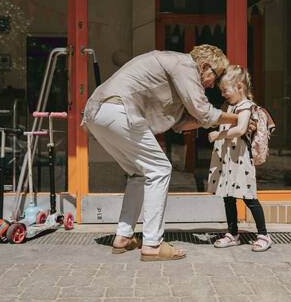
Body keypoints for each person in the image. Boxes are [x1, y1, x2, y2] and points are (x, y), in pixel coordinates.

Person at [81, 45, 246, 261]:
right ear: (204, 66)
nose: (212, 84)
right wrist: (240, 117)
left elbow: (181, 123)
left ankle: (123, 237)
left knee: (139, 174)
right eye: (213, 78)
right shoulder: (185, 65)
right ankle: (152, 245)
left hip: (98, 114)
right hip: (118, 110)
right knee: (160, 169)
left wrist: (218, 120)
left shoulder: (175, 76)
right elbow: (204, 112)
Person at [207, 65, 272, 252]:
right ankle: (232, 233)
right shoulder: (230, 106)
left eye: (225, 90)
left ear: (239, 86)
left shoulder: (245, 106)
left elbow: (241, 129)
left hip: (240, 159)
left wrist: (218, 135)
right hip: (228, 159)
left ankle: (263, 235)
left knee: (249, 196)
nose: (223, 94)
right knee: (228, 196)